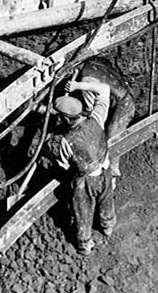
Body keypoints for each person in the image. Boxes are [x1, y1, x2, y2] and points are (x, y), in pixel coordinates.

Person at [43, 78, 116, 255]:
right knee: (107, 201)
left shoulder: (65, 142)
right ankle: (108, 227)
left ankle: (85, 245)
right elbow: (104, 89)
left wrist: (47, 150)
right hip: (105, 170)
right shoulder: (97, 119)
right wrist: (77, 86)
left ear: (66, 119)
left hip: (85, 182)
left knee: (83, 213)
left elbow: (64, 165)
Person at [75, 57, 136, 183]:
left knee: (110, 145)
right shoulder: (94, 62)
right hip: (126, 97)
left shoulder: (86, 80)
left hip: (122, 108)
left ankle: (111, 180)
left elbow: (94, 115)